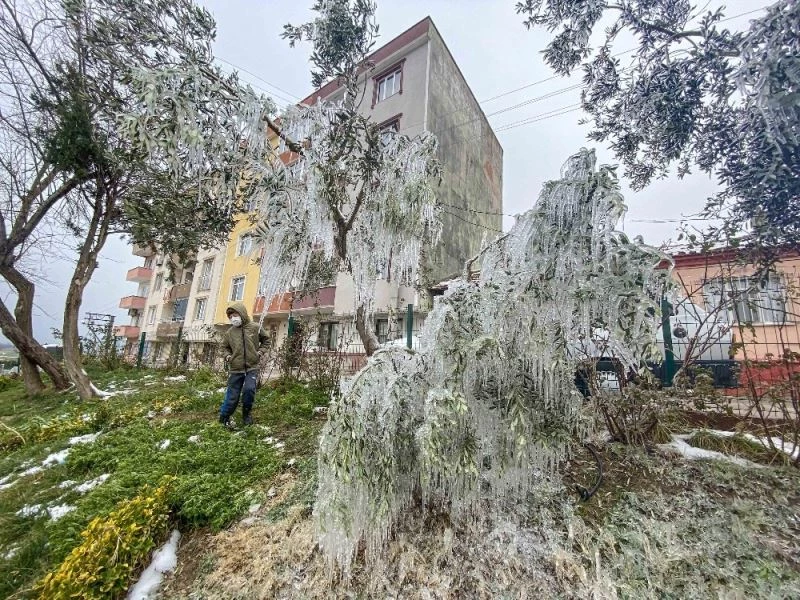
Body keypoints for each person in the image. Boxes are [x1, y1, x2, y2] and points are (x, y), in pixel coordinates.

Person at [219, 301, 269, 427]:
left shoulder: (255, 327)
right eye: (230, 317)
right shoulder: (230, 333)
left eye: (235, 315)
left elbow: (266, 340)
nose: (233, 318)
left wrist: (260, 352)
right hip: (236, 369)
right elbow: (223, 348)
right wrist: (228, 357)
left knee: (249, 390)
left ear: (242, 314)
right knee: (232, 396)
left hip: (252, 367)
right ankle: (224, 417)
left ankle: (246, 414)